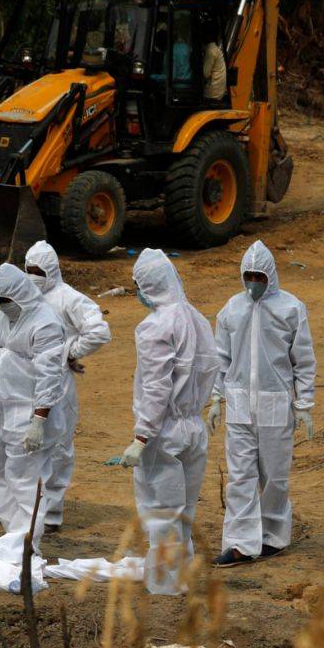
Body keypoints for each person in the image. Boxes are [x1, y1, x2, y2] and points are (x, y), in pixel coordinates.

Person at [208, 241, 315, 566]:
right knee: (240, 476)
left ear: (270, 275)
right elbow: (220, 357)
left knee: (274, 476)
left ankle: (272, 536)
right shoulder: (231, 309)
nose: (253, 282)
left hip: (275, 405)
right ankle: (240, 543)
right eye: (248, 275)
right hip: (240, 405)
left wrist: (304, 404)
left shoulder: (290, 309)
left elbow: (304, 360)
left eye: (259, 276)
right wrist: (216, 397)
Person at [119, 249, 218, 595]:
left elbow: (156, 385)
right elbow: (208, 369)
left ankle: (164, 584)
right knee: (184, 511)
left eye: (138, 286)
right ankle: (181, 577)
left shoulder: (155, 326)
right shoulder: (198, 319)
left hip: (164, 430)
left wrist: (142, 436)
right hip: (193, 425)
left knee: (162, 512)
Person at [0, 263, 68, 563]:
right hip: (2, 414)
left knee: (25, 482)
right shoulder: (2, 319)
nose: (1, 306)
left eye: (5, 301)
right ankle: (12, 536)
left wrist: (39, 419)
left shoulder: (45, 323)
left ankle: (28, 546)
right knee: (1, 474)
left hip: (27, 416)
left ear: (21, 296)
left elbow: (49, 374)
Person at [22, 240, 111, 533]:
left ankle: (51, 514)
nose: (33, 275)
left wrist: (70, 352)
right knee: (22, 444)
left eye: (38, 270)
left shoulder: (68, 298)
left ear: (50, 270)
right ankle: (22, 505)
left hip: (58, 386)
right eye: (28, 269)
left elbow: (98, 331)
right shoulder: (25, 297)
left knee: (58, 448)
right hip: (25, 381)